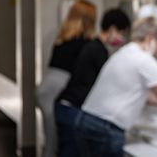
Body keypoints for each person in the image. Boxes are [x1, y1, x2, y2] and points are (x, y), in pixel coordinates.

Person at [75, 17, 157, 157]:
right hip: (105, 128)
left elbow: (142, 95)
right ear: (151, 38)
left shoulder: (124, 53)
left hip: (86, 120)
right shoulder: (144, 60)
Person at [54, 8, 131, 157]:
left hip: (66, 106)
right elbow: (107, 84)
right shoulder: (98, 51)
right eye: (121, 33)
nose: (121, 38)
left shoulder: (93, 46)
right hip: (72, 109)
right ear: (112, 29)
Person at [36, 0, 96, 157]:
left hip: (46, 88)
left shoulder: (62, 38)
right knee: (55, 143)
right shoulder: (84, 44)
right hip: (56, 90)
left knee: (51, 140)